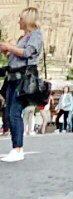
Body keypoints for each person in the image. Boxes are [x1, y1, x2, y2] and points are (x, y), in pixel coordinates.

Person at [0, 11, 44, 162]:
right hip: (14, 78)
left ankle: (18, 149)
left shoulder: (35, 36)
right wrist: (7, 52)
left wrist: (10, 47)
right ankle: (16, 147)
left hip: (23, 79)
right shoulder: (23, 37)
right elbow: (16, 59)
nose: (18, 21)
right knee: (9, 113)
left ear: (28, 20)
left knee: (14, 113)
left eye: (21, 18)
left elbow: (28, 53)